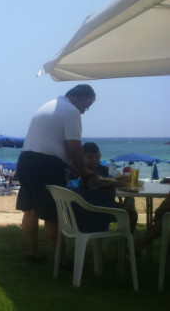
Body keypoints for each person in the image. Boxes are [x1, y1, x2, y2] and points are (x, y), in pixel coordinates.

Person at [16, 84, 95, 266]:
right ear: (78, 98)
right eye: (86, 106)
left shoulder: (49, 106)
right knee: (53, 213)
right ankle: (61, 260)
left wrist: (78, 170)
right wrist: (85, 174)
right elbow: (74, 149)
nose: (84, 111)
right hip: (45, 165)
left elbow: (54, 146)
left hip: (26, 160)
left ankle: (33, 253)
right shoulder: (71, 111)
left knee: (30, 209)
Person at [71, 142, 137, 233]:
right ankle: (128, 239)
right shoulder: (80, 171)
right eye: (91, 157)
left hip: (105, 206)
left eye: (97, 157)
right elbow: (101, 183)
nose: (95, 160)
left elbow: (113, 180)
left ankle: (127, 237)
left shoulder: (104, 170)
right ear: (83, 157)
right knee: (131, 213)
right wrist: (112, 183)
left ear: (100, 156)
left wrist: (118, 180)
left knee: (130, 201)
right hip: (91, 211)